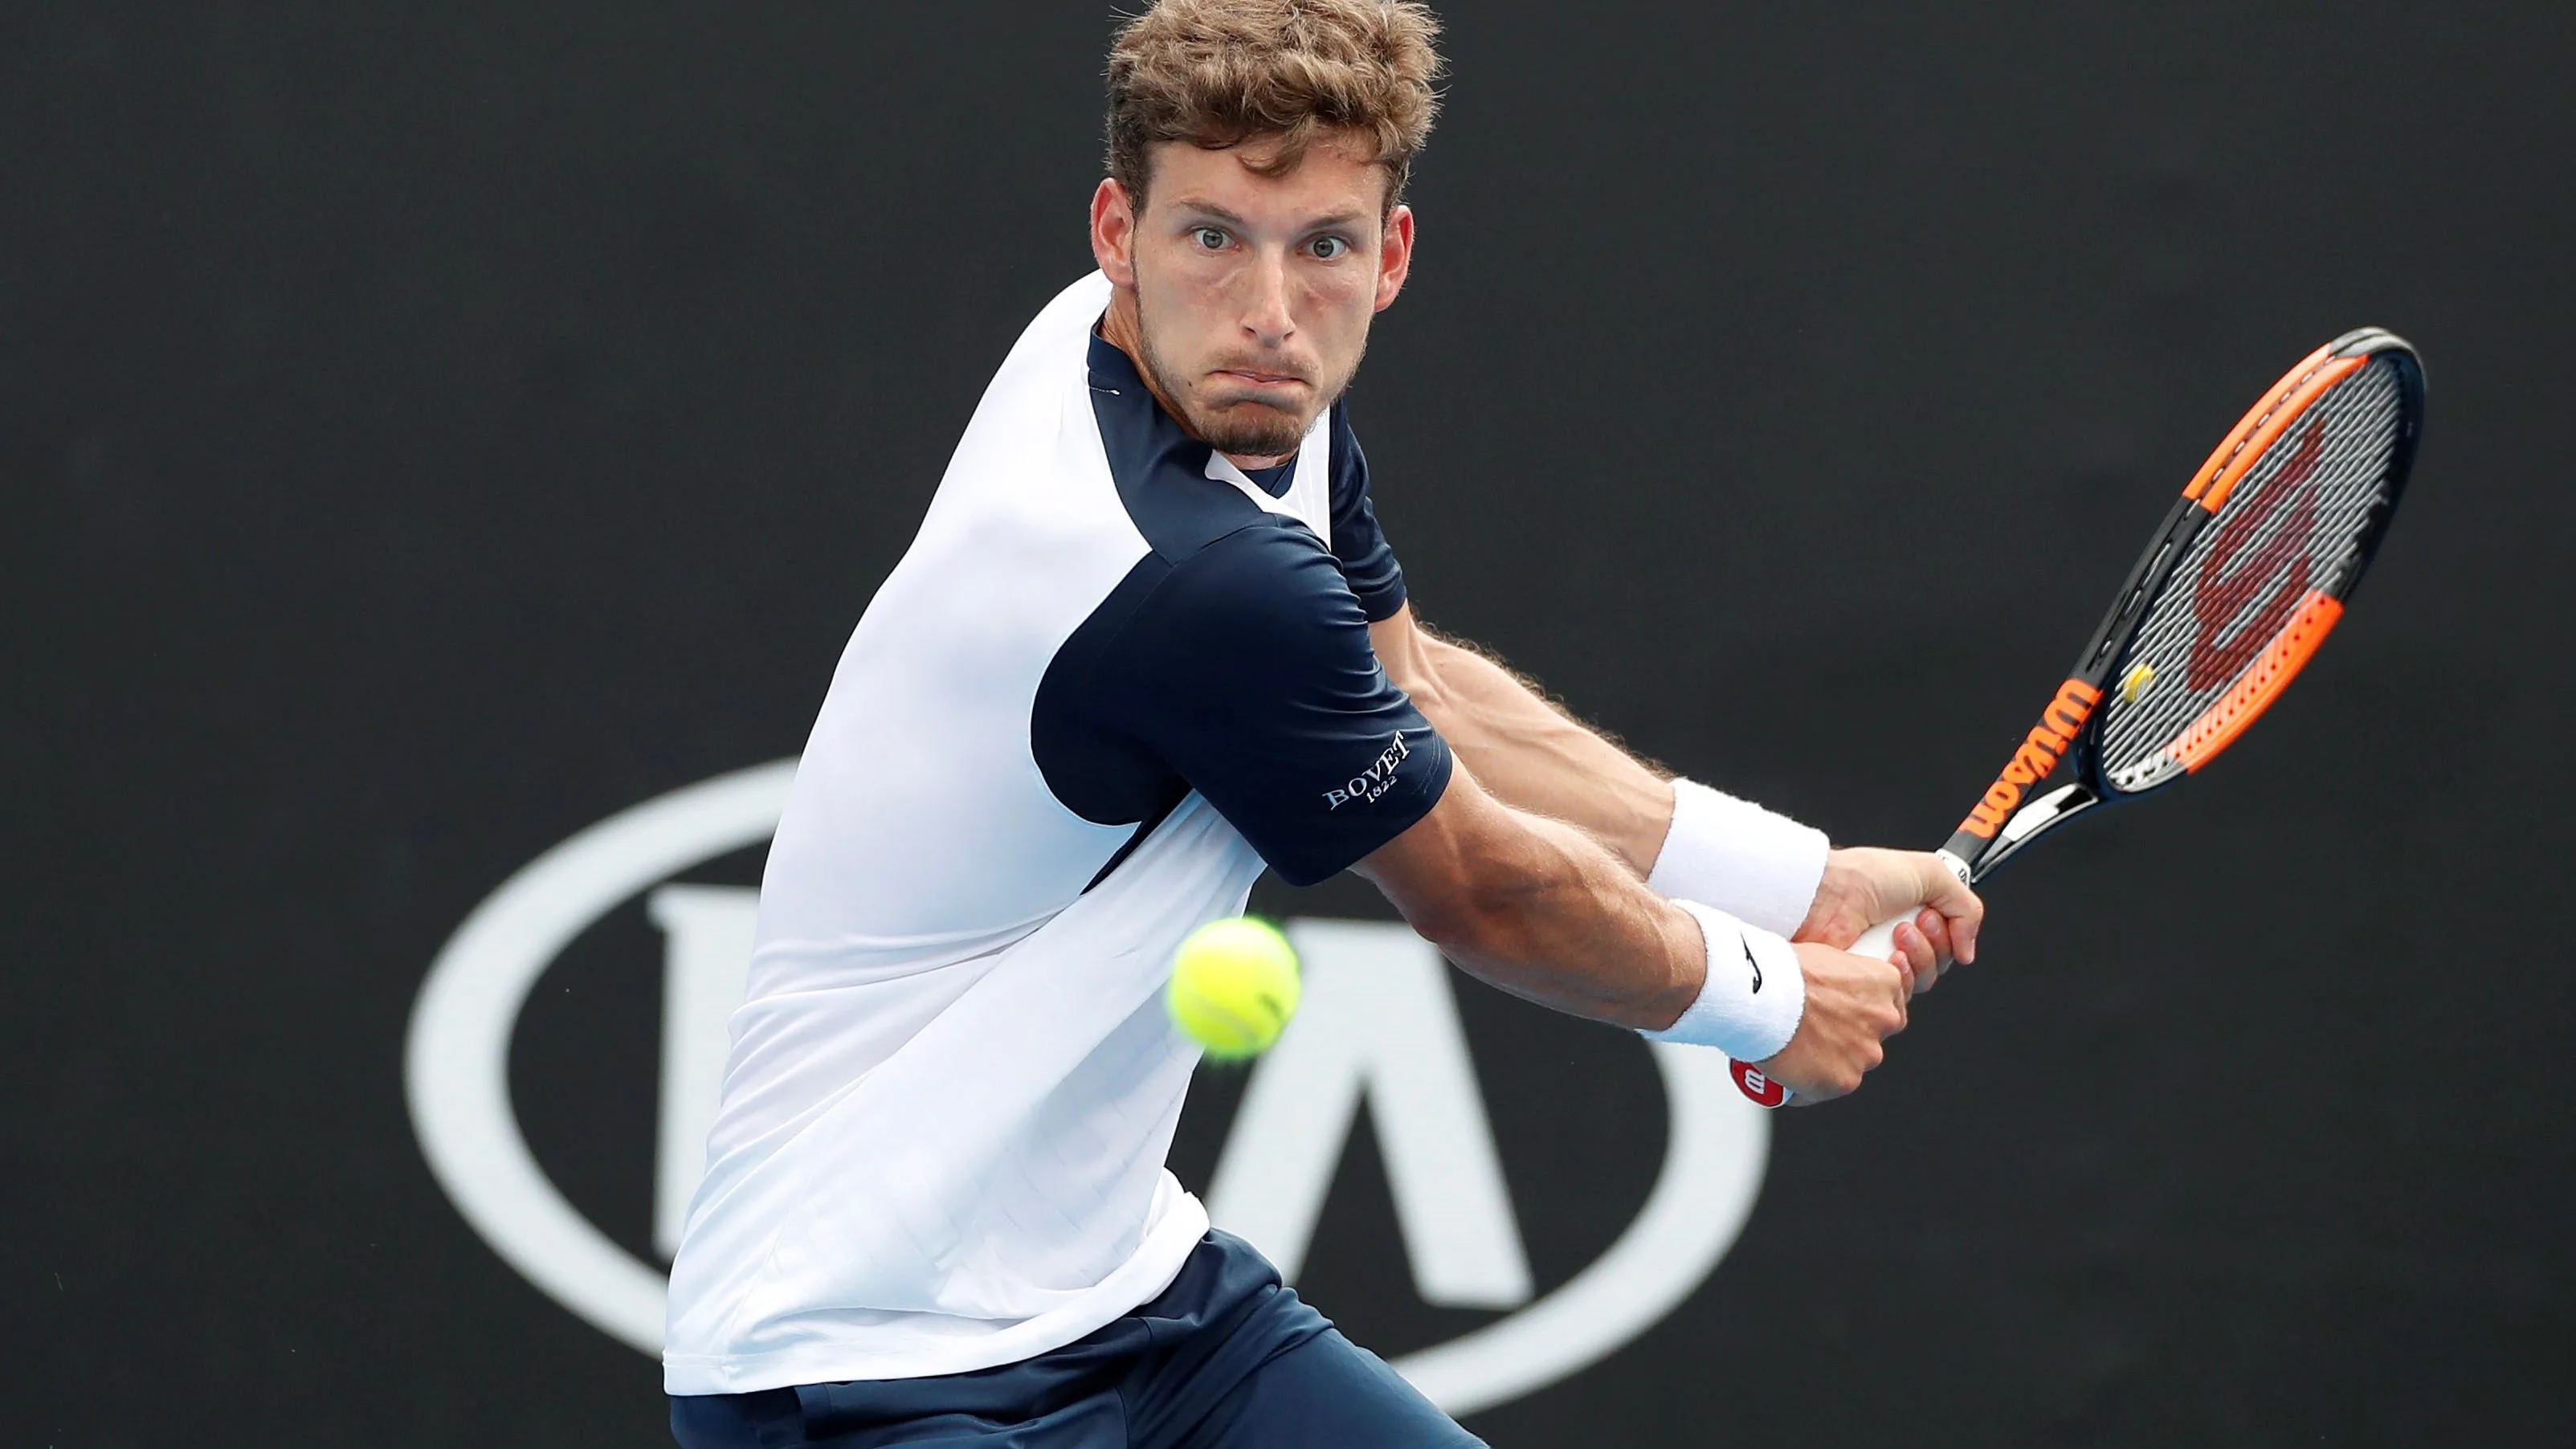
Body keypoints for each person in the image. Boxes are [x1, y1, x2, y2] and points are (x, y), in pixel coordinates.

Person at [663, 1, 1982, 1443]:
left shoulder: (1216, 393)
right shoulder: (1188, 571)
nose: (1271, 311)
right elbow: (1485, 891)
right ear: (1118, 230)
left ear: (1390, 257)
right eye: (1212, 236)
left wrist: (1795, 883)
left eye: (1322, 247)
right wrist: (1772, 1000)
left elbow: (1413, 691)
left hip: (1135, 1305)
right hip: (858, 1366)